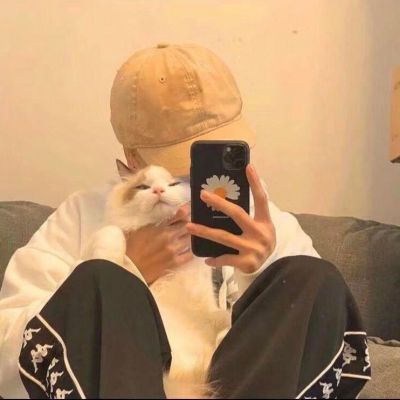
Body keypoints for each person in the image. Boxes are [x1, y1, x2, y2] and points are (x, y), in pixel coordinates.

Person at [0, 43, 371, 399]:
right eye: (179, 167)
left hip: (239, 384)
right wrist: (129, 269)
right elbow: (6, 347)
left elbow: (319, 334)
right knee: (100, 278)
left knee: (311, 279)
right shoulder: (84, 213)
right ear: (131, 157)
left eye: (210, 156)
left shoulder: (264, 221)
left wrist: (260, 274)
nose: (194, 183)